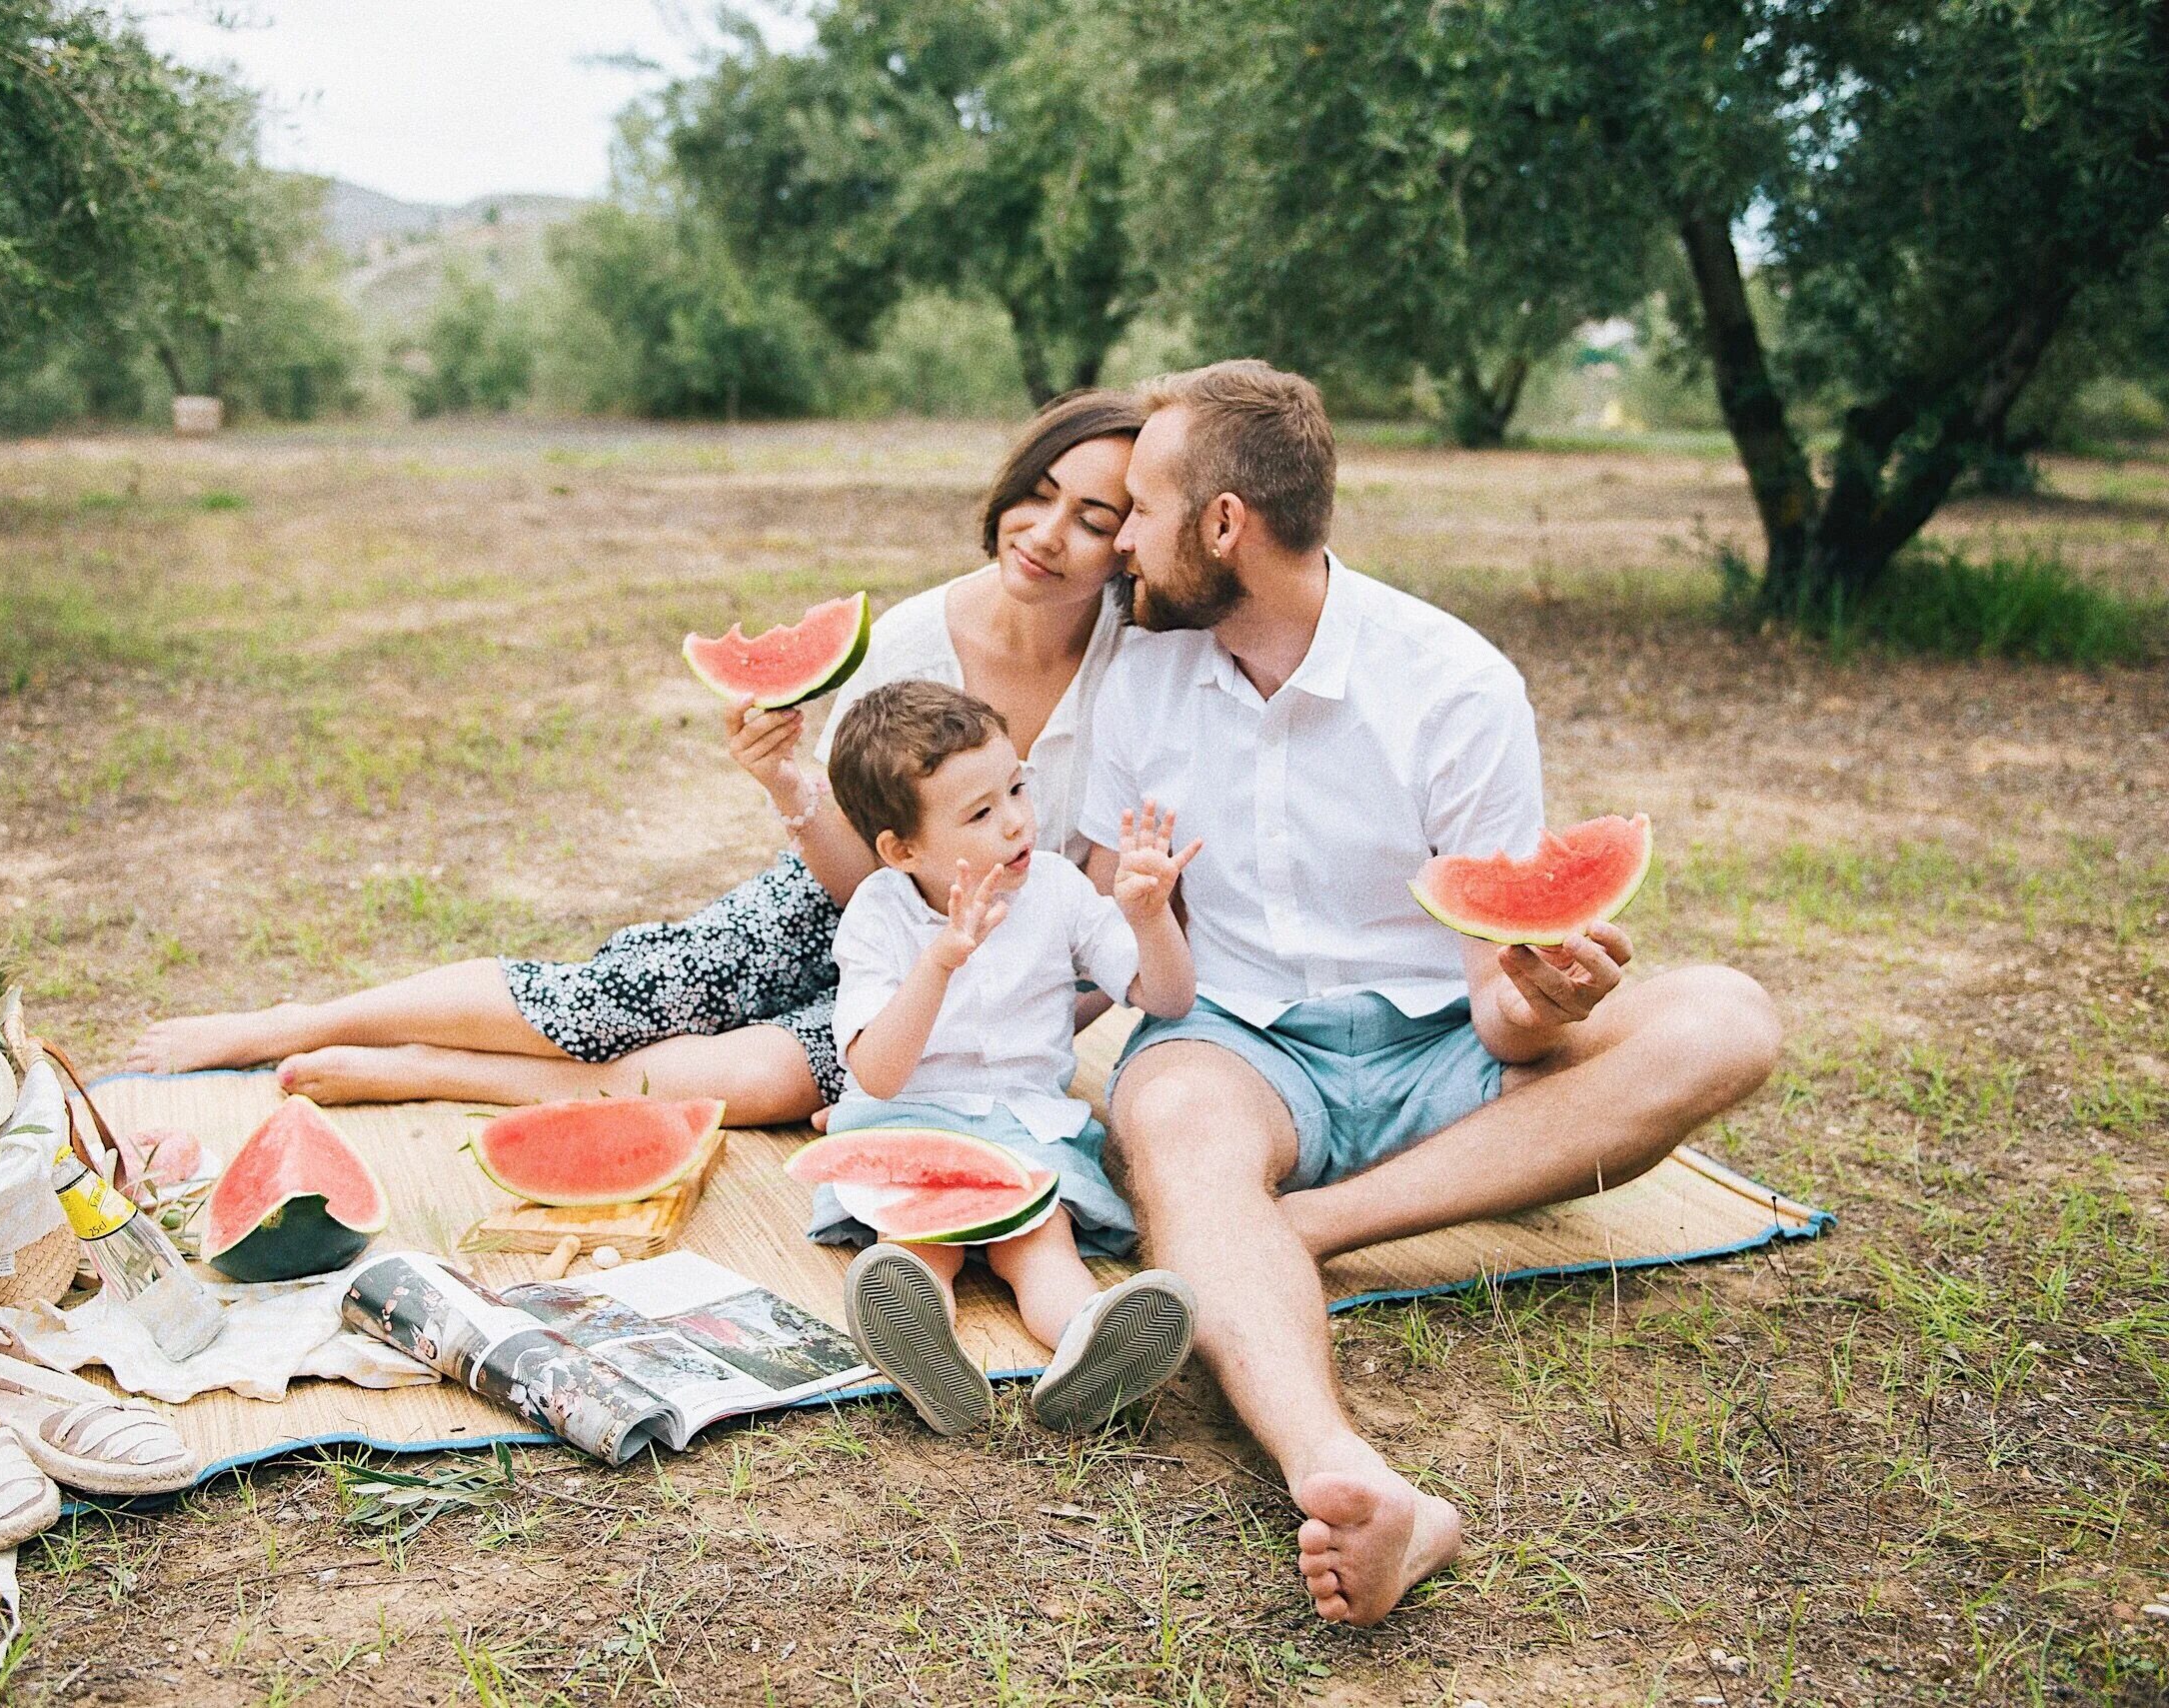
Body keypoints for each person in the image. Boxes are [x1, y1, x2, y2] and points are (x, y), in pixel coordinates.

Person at [1077, 360, 1784, 1625]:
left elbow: (1498, 1004)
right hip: (1238, 1045)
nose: (1120, 537)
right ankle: (1345, 1473)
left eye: (1139, 505)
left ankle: (1307, 1228)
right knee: (1175, 1124)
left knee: (1728, 1014)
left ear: (1224, 523)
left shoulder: (1453, 685)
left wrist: (1543, 1002)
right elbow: (1123, 939)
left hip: (1446, 1053)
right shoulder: (1136, 670)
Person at [120, 391, 1148, 1124]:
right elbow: (865, 867)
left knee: (761, 1086)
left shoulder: (1136, 677)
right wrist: (789, 785)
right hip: (846, 900)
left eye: (1091, 518)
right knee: (603, 1004)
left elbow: (1100, 933)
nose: (1045, 532)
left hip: (991, 973)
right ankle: (292, 1019)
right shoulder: (917, 637)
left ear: (1130, 543)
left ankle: (430, 1069)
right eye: (1037, 492)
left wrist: (1013, 1012)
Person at [814, 681, 1198, 1436]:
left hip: (1026, 1123)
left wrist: (1150, 918)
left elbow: (1167, 995)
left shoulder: (1056, 887)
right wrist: (941, 961)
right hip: (911, 1118)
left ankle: (1092, 1344)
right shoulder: (878, 914)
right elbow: (879, 1073)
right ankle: (924, 1347)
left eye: (1017, 786)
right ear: (903, 849)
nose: (1018, 820)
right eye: (982, 813)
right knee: (919, 1241)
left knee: (1040, 1242)